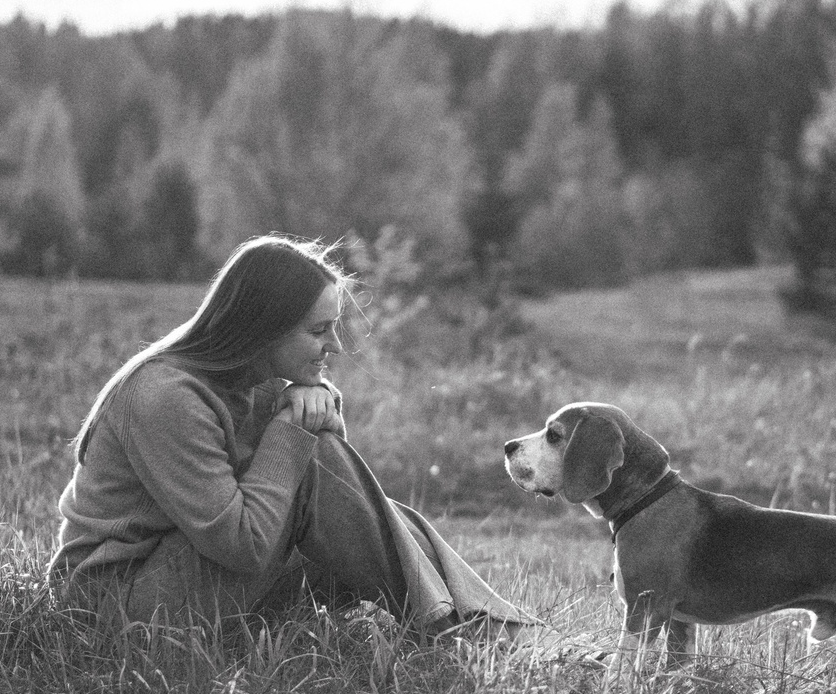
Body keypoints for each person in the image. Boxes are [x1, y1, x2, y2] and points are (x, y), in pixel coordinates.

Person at [51, 235, 531, 639]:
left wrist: (319, 417)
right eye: (319, 330)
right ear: (263, 330)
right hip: (113, 607)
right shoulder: (166, 397)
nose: (335, 345)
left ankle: (483, 628)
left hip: (180, 578)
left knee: (375, 514)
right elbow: (245, 544)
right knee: (318, 464)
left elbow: (338, 506)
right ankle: (471, 633)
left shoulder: (254, 383)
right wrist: (292, 431)